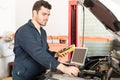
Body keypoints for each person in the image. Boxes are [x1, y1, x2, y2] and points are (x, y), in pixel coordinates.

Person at [12, 0, 80, 80]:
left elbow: (45, 51)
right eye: (44, 14)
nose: (47, 18)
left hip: (39, 75)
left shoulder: (43, 32)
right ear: (34, 13)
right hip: (24, 77)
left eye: (48, 15)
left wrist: (56, 54)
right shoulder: (24, 31)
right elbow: (38, 53)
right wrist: (64, 68)